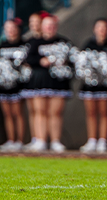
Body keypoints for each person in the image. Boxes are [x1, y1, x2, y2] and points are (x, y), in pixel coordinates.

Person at [22, 14, 72, 153]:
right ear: (42, 27)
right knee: (40, 111)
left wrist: (63, 62)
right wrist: (41, 61)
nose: (49, 28)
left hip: (58, 82)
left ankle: (55, 141)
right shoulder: (34, 42)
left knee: (55, 112)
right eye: (47, 26)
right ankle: (40, 140)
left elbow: (73, 58)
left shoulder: (63, 42)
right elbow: (27, 59)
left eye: (52, 26)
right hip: (39, 80)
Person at [79, 18, 107, 154]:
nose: (102, 30)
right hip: (89, 86)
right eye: (99, 27)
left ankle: (102, 141)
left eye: (105, 27)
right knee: (91, 113)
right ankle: (92, 140)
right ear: (94, 29)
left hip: (105, 86)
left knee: (104, 113)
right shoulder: (88, 44)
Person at [0, 18, 28, 152]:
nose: (11, 32)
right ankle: (11, 140)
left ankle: (20, 141)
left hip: (18, 85)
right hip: (4, 86)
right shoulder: (1, 46)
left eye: (13, 29)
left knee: (18, 113)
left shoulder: (24, 45)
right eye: (8, 29)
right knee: (7, 114)